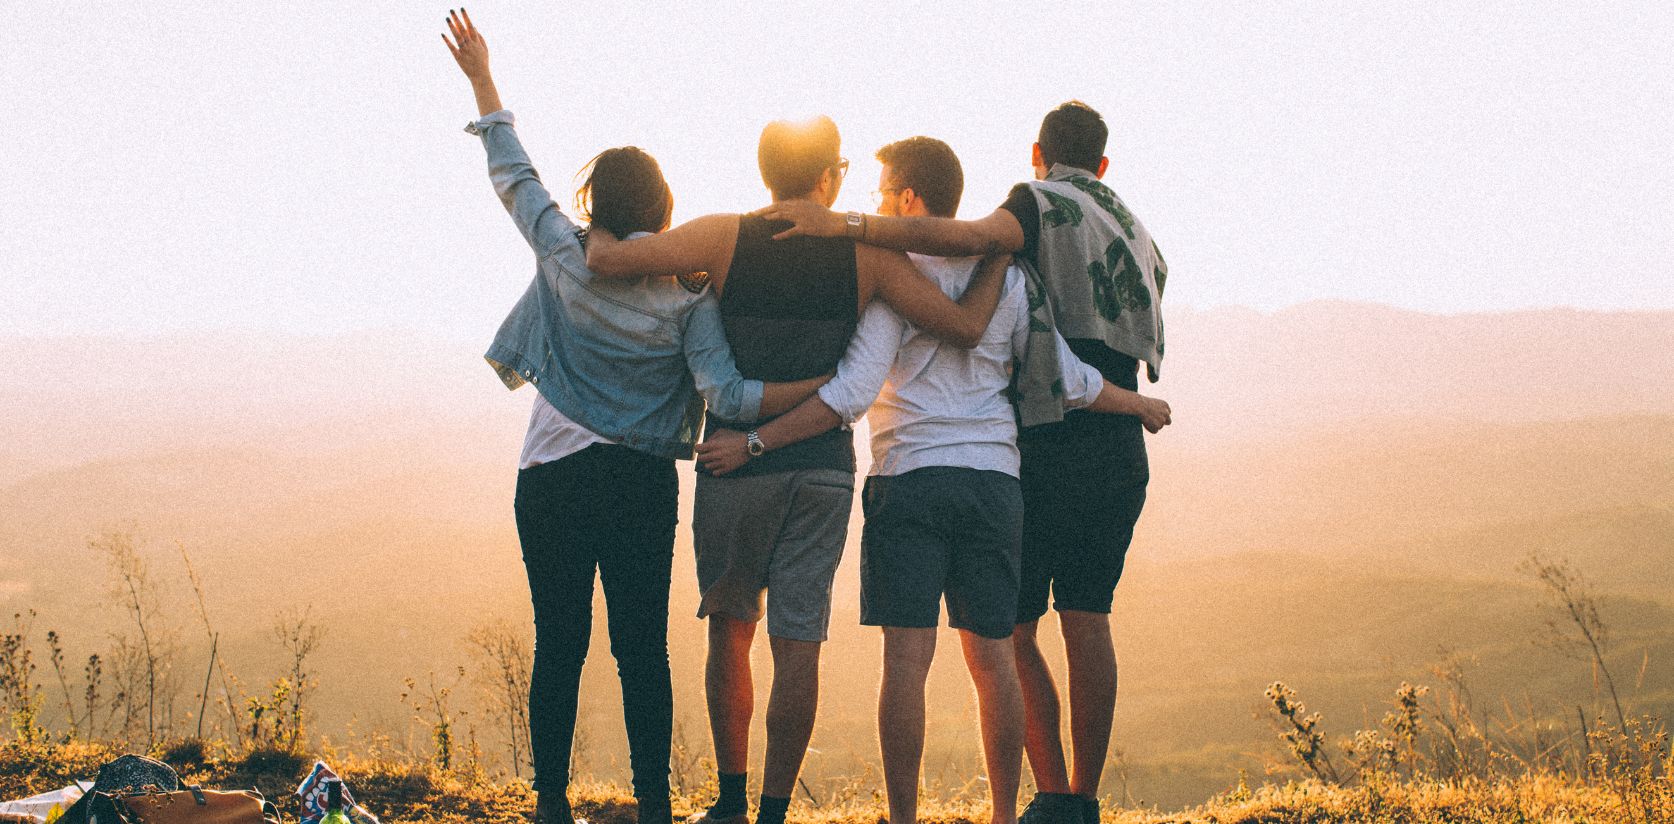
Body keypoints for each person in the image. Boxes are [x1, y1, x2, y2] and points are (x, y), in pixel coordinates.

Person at [698, 137, 1169, 824]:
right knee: (995, 663)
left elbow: (854, 391)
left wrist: (756, 440)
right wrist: (1138, 404)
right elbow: (1066, 378)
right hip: (994, 484)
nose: (876, 203)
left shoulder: (891, 277)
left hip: (910, 478)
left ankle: (903, 818)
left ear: (909, 200)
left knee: (906, 664)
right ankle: (1006, 815)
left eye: (884, 190)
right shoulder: (1006, 276)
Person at [442, 12, 829, 824]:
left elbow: (514, 174)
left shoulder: (562, 252)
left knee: (560, 643)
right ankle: (653, 806)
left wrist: (482, 77)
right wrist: (814, 387)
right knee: (639, 650)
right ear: (663, 207)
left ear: (594, 201)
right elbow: (725, 396)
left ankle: (551, 805)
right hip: (640, 484)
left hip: (549, 473)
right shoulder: (686, 296)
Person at [584, 119, 1009, 824]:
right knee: (798, 639)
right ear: (829, 179)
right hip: (821, 469)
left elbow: (615, 261)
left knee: (730, 628)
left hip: (733, 463)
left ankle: (729, 803)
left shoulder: (723, 236)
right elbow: (960, 325)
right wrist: (1000, 251)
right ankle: (775, 812)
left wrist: (594, 230)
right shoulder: (866, 258)